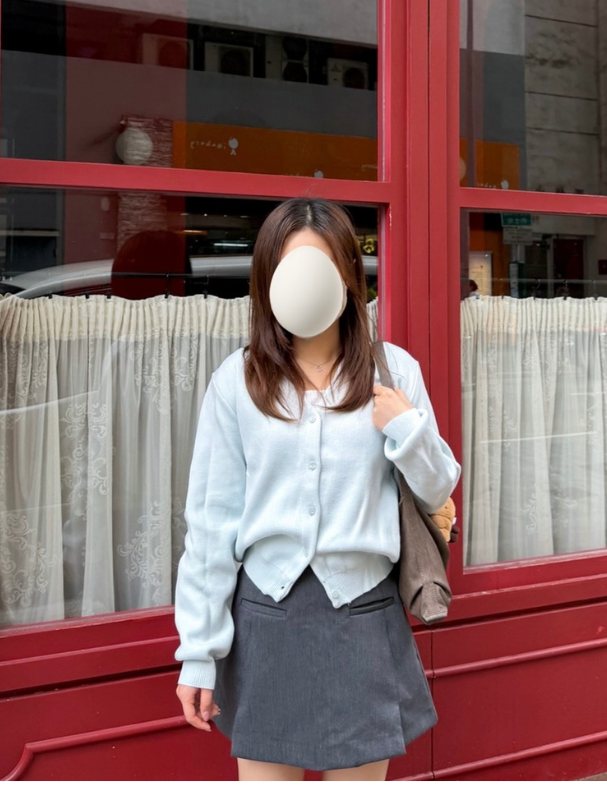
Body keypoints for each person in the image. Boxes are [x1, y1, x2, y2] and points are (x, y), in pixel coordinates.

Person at [174, 198, 461, 781]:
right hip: (265, 620)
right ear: (268, 279)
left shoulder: (394, 372)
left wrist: (408, 429)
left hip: (364, 616)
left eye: (320, 268)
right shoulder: (237, 381)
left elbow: (438, 488)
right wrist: (198, 653)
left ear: (348, 276)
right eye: (291, 269)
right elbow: (211, 523)